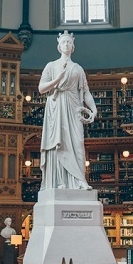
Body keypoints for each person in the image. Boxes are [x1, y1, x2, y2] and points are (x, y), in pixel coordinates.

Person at [39, 30, 97, 190]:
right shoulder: (51, 66)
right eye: (63, 42)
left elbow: (85, 91)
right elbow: (41, 88)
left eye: (69, 42)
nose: (66, 44)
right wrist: (56, 80)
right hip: (56, 107)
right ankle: (59, 181)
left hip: (73, 108)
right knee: (58, 142)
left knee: (77, 143)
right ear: (59, 46)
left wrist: (94, 109)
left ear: (73, 47)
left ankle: (80, 180)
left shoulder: (78, 69)